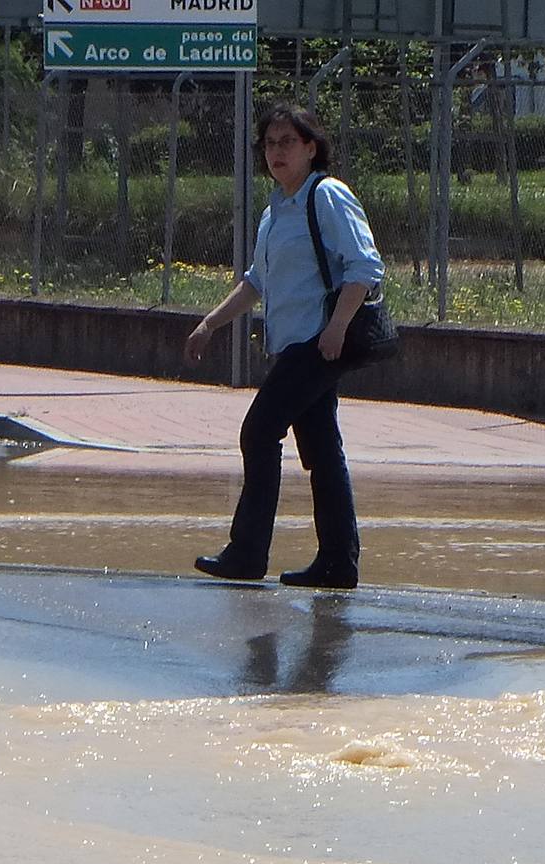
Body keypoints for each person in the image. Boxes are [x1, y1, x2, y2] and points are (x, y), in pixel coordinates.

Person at [184, 103, 384, 590]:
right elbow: (256, 281)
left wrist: (336, 327)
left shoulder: (327, 194)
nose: (277, 152)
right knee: (321, 451)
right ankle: (338, 563)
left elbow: (365, 265)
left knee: (258, 432)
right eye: (270, 144)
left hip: (316, 345)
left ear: (311, 148)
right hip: (294, 345)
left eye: (287, 142)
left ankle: (248, 553)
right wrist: (211, 323)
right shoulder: (276, 209)